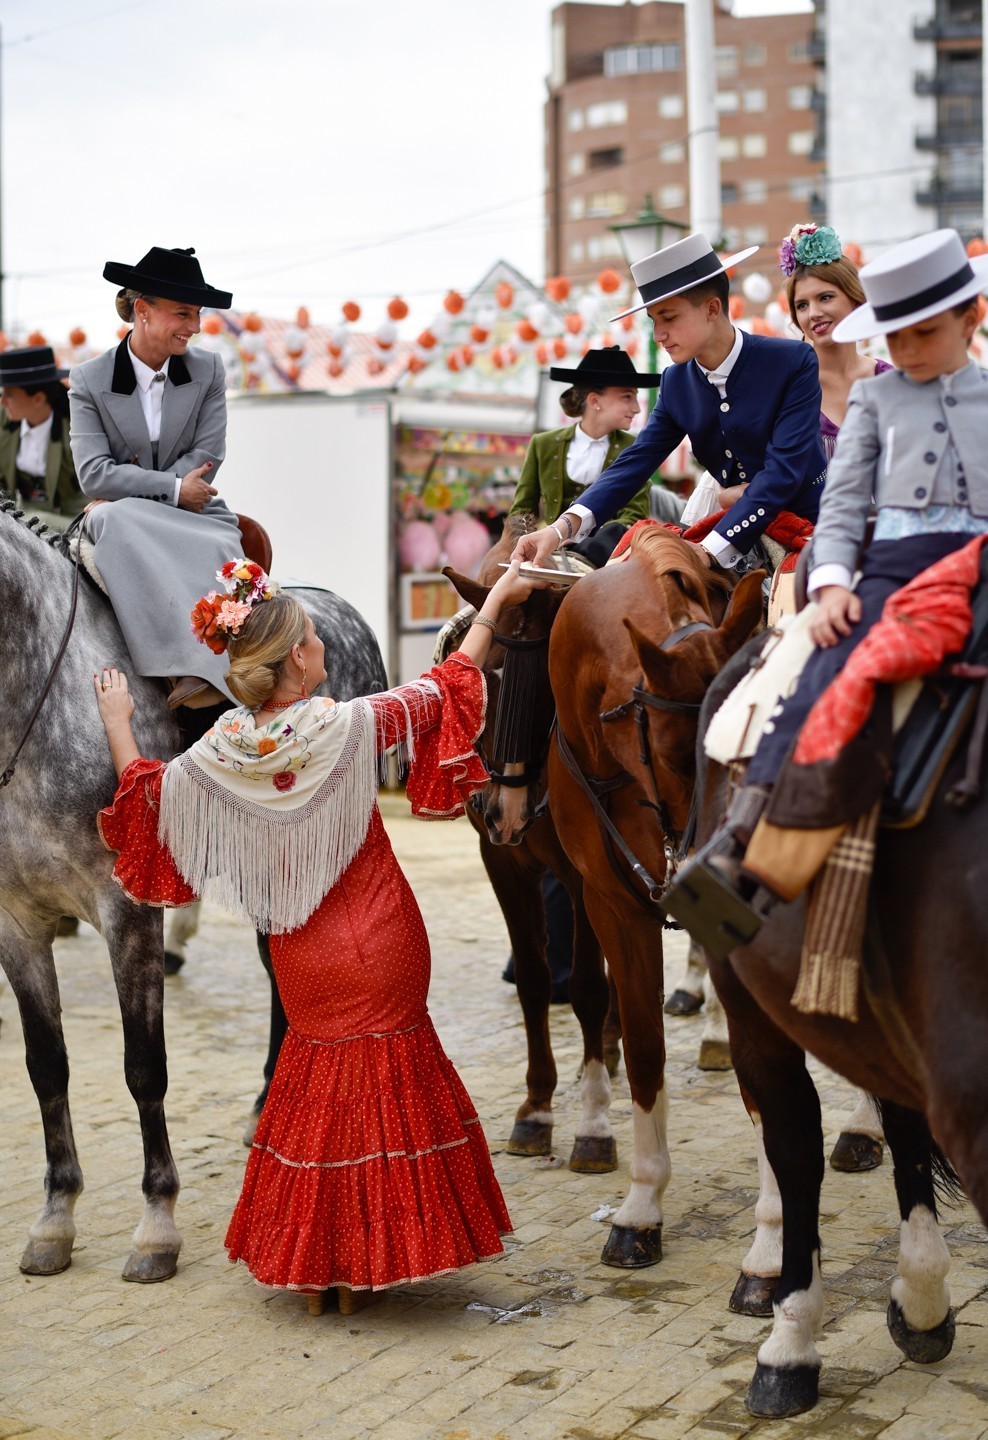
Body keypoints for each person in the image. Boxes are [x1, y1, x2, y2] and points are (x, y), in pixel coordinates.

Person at [94, 556, 539, 1304]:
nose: (322, 643)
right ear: (301, 656)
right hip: (382, 933)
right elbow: (450, 683)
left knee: (318, 1092)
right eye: (312, 634)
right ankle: (374, 1258)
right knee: (386, 1087)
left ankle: (322, 1270)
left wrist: (117, 722)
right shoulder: (344, 724)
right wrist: (498, 599)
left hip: (300, 948)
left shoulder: (224, 749)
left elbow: (144, 799)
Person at [666, 227, 988, 955]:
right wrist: (837, 580)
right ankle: (740, 845)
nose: (904, 350)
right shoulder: (874, 400)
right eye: (894, 334)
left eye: (922, 333)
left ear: (971, 320)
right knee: (807, 670)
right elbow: (840, 506)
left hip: (978, 562)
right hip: (888, 564)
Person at [511, 232, 827, 578]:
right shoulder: (676, 381)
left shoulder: (792, 361)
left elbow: (783, 472)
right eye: (653, 321)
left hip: (805, 528)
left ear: (712, 308)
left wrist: (708, 549)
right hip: (722, 531)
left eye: (669, 317)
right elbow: (635, 461)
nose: (658, 333)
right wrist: (560, 529)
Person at [69, 246, 240, 710]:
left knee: (224, 541)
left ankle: (248, 665)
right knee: (114, 523)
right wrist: (170, 489)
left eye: (198, 313)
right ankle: (179, 669)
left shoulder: (209, 371)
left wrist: (157, 490)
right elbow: (92, 474)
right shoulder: (87, 379)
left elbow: (207, 456)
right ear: (142, 310)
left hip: (195, 510)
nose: (196, 326)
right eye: (183, 312)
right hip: (129, 514)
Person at [510, 345, 659, 566]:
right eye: (628, 397)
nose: (636, 408)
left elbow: (632, 516)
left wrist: (575, 542)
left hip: (607, 562)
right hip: (545, 556)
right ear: (595, 401)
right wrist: (521, 548)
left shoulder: (635, 447)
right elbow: (522, 510)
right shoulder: (543, 444)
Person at [780, 222, 893, 469]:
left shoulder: (890, 380)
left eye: (825, 297)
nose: (814, 313)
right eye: (802, 305)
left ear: (855, 299)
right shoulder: (786, 389)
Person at [0, 346, 85, 523]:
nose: (2, 401)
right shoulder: (4, 419)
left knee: (38, 519)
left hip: (73, 519)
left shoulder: (76, 428)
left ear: (38, 398)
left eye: (9, 394)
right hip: (24, 517)